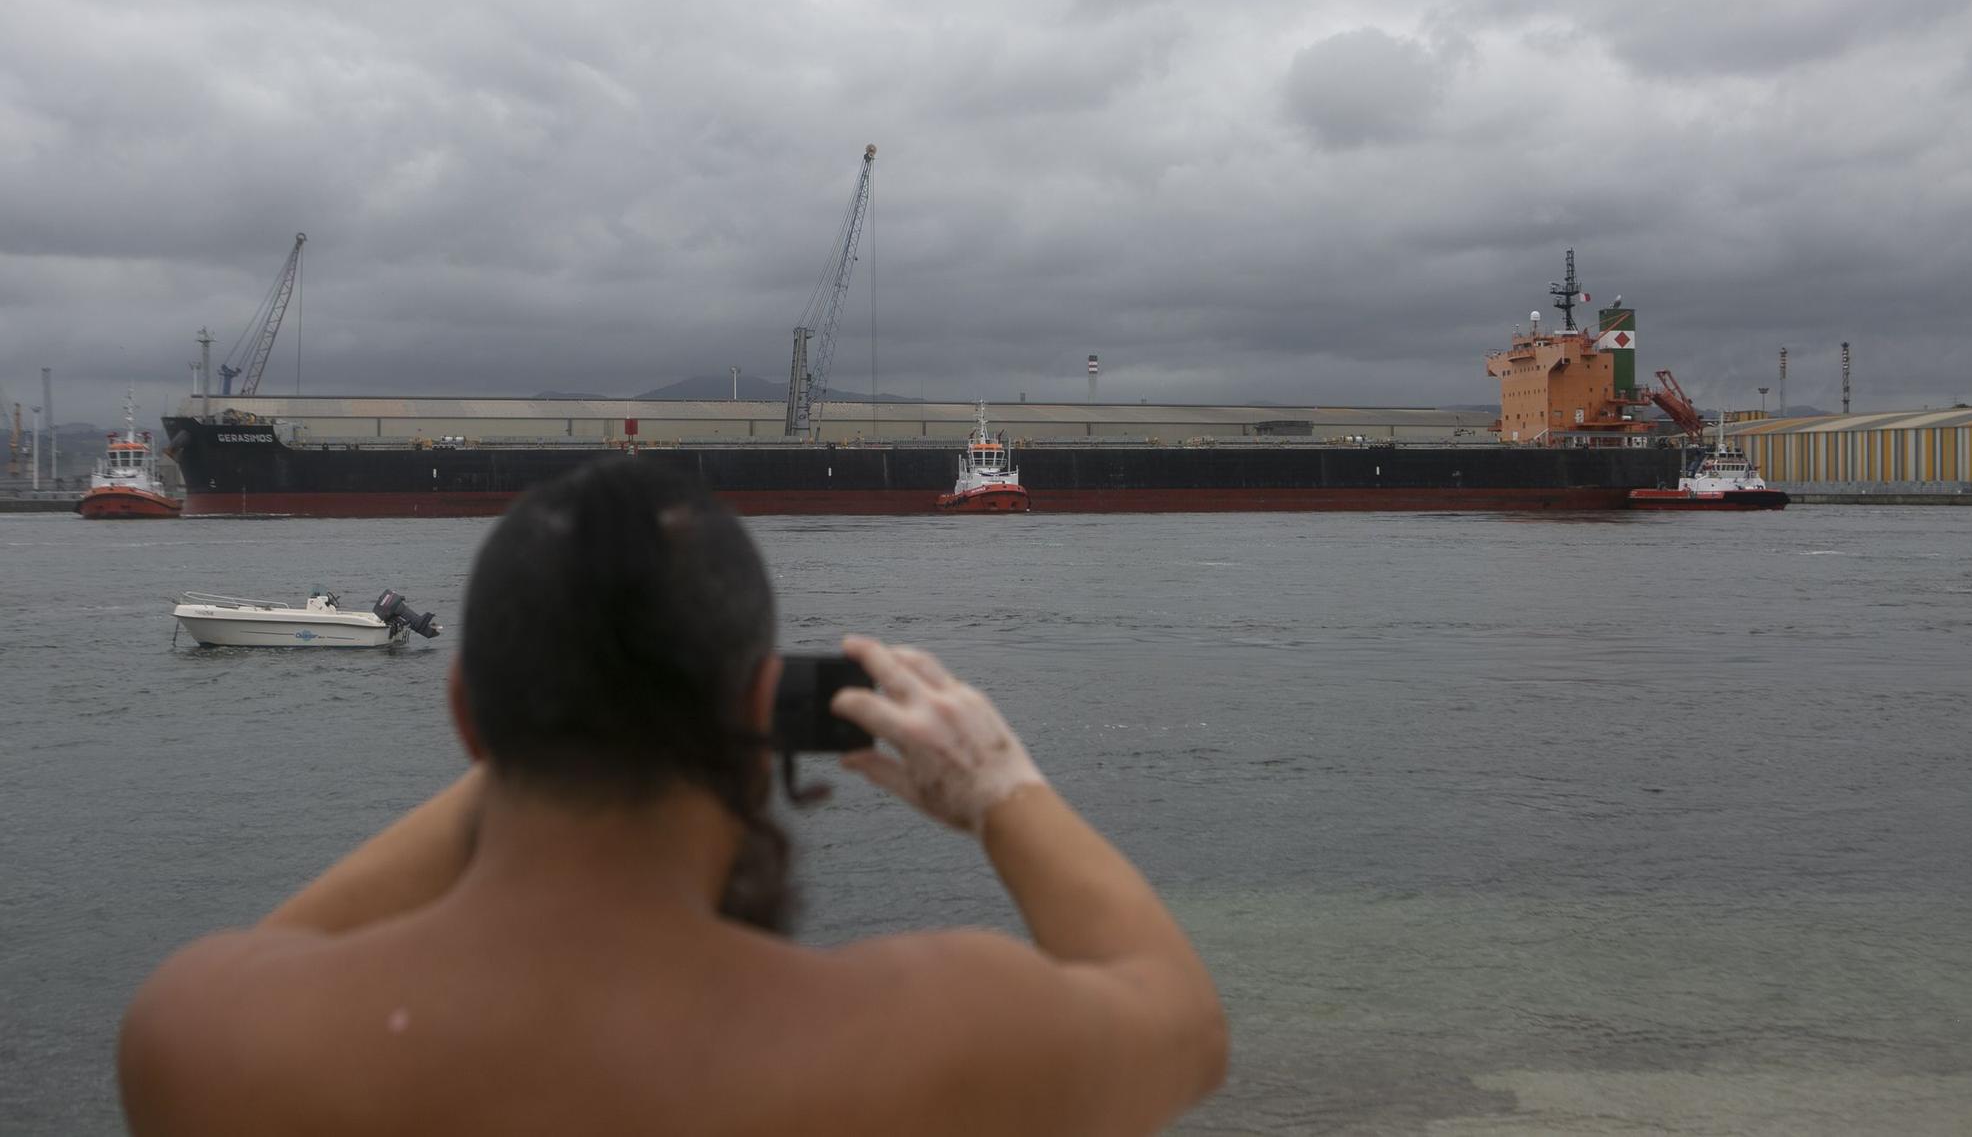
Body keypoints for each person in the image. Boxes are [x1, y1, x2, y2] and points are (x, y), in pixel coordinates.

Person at [119, 459, 1227, 1136]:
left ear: (467, 716)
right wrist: (1000, 786)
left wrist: (537, 733)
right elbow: (1179, 1016)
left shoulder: (210, 1036)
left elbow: (285, 949)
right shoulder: (939, 1034)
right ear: (757, 709)